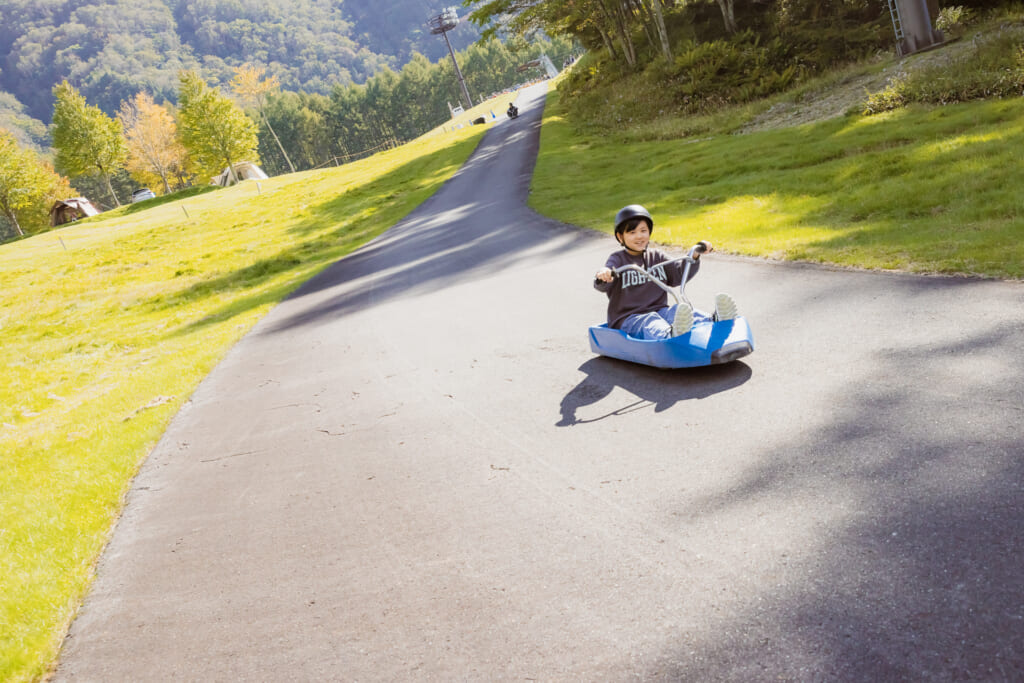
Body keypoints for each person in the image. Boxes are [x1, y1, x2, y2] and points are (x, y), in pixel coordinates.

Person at [594, 204, 738, 340]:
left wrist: (694, 254)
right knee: (650, 321)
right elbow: (604, 278)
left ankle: (714, 320)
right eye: (632, 232)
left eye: (643, 231)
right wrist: (604, 274)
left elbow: (679, 273)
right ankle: (669, 335)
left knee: (676, 311)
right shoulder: (618, 259)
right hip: (628, 319)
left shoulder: (657, 256)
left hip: (659, 311)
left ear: (649, 232)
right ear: (620, 237)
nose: (639, 236)